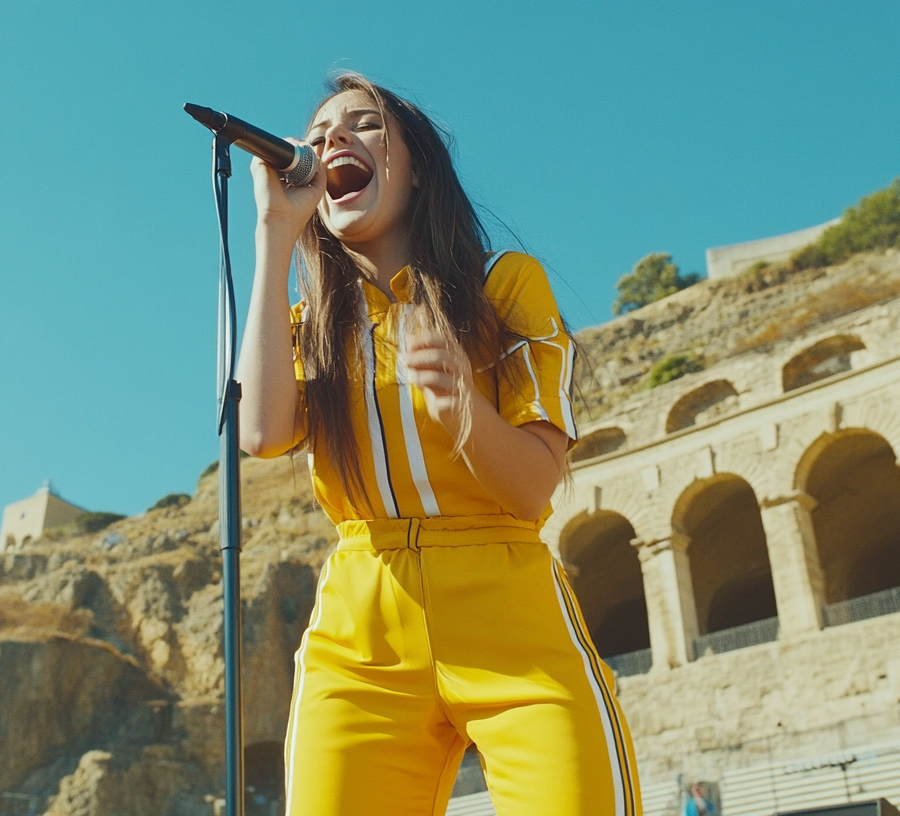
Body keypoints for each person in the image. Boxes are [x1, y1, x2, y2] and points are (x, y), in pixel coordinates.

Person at [239, 72, 642, 816]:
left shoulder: (502, 285)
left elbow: (531, 488)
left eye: (363, 125)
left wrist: (462, 403)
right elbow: (262, 435)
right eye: (321, 133)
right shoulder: (310, 324)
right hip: (362, 626)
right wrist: (274, 232)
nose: (333, 141)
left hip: (509, 610)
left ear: (416, 166)